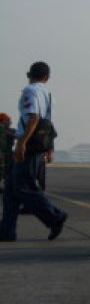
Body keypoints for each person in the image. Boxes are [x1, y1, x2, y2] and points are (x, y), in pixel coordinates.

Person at [0, 62, 68, 242]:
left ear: (29, 74)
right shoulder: (48, 94)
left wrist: (22, 143)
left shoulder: (30, 91)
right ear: (47, 78)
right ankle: (6, 231)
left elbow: (34, 117)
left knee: (23, 188)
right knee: (11, 190)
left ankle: (55, 217)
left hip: (29, 146)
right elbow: (47, 123)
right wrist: (50, 147)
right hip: (37, 144)